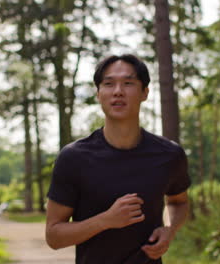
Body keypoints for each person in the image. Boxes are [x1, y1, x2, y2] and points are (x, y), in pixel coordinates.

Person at [46, 54, 191, 264]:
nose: (118, 91)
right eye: (109, 83)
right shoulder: (74, 158)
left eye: (128, 83)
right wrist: (105, 220)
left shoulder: (169, 155)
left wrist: (169, 228)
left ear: (145, 93)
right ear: (98, 94)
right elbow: (53, 236)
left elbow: (179, 202)